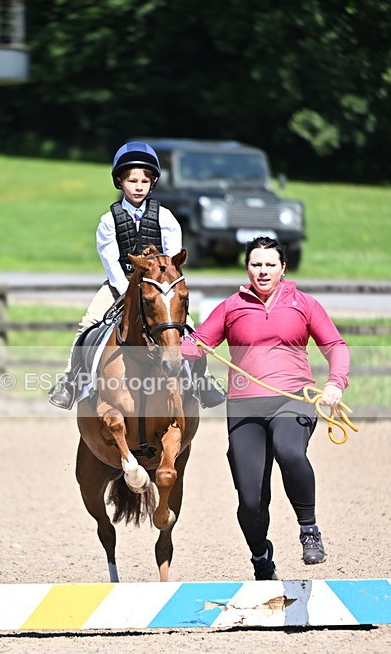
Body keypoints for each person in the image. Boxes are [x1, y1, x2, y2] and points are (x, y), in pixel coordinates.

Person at [181, 236, 350, 579]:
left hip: (294, 398)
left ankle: (309, 529)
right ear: (247, 268)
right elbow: (197, 344)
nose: (263, 270)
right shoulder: (231, 306)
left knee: (289, 450)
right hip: (245, 406)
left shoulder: (304, 304)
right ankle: (260, 556)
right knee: (251, 500)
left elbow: (335, 345)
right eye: (256, 264)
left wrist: (335, 382)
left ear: (283, 268)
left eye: (270, 264)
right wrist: (173, 343)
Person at [49, 141, 223, 410]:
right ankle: (71, 382)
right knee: (88, 324)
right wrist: (128, 293)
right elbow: (110, 262)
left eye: (144, 180)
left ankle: (203, 381)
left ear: (153, 182)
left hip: (160, 287)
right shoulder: (108, 221)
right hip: (120, 285)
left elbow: (172, 263)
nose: (138, 186)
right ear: (120, 181)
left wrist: (158, 288)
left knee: (188, 328)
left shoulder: (166, 218)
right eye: (132, 180)